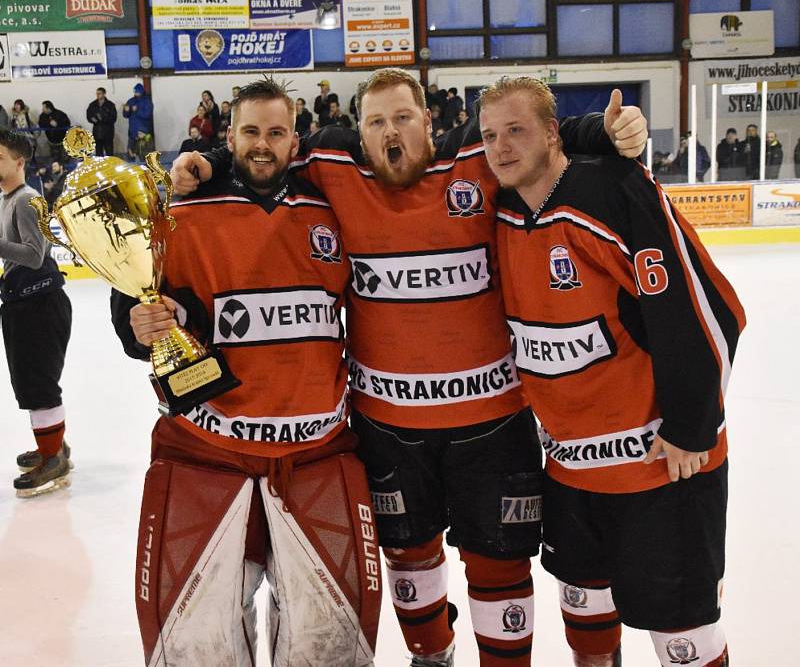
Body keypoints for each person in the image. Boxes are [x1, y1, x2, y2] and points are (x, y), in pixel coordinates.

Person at [169, 67, 647, 667]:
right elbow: (262, 147)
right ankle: (432, 656)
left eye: (402, 118)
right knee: (409, 556)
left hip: (493, 424)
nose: (390, 132)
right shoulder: (333, 165)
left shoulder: (475, 156)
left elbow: (533, 135)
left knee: (498, 560)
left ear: (430, 121)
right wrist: (208, 160)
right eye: (376, 122)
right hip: (389, 428)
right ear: (358, 134)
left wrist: (603, 133)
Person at [109, 78, 380, 666]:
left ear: (295, 139)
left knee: (327, 644)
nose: (263, 145)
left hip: (316, 452)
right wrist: (138, 324)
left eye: (276, 133)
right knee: (197, 645)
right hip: (207, 453)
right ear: (227, 136)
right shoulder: (180, 210)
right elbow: (136, 302)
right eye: (251, 132)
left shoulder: (332, 206)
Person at [480, 75, 745, 667]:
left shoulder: (616, 192)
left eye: (517, 130)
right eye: (491, 134)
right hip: (572, 474)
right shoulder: (499, 211)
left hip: (661, 471)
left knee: (683, 634)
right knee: (585, 614)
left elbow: (708, 314)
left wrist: (691, 427)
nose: (500, 147)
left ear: (552, 133)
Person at [0, 129, 72, 497]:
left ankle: (52, 458)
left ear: (19, 161)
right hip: (24, 301)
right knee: (30, 382)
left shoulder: (27, 201)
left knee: (38, 384)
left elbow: (33, 254)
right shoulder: (7, 198)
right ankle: (53, 447)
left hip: (39, 303)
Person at [122, 83, 154, 162]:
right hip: (132, 134)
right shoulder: (131, 101)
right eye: (135, 91)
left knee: (144, 156)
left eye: (137, 91)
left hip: (143, 134)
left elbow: (147, 115)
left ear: (141, 91)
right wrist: (126, 111)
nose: (135, 93)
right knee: (130, 155)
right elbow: (126, 115)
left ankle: (146, 173)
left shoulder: (147, 102)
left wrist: (137, 110)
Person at [85, 87, 117, 157]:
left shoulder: (110, 105)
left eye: (99, 93)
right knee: (98, 155)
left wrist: (102, 119)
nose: (97, 95)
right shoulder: (92, 105)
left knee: (109, 154)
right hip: (97, 133)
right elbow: (88, 115)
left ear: (104, 94)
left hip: (108, 133)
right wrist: (92, 119)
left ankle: (110, 167)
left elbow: (113, 118)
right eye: (97, 94)